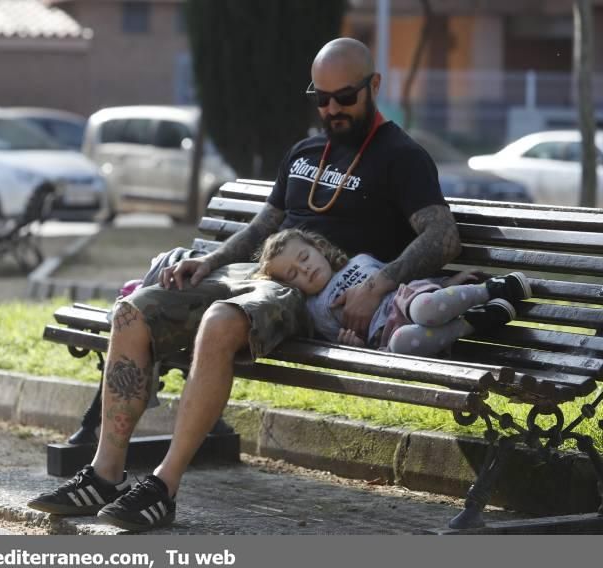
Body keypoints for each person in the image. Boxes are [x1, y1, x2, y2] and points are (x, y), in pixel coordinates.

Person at [27, 36, 463, 532]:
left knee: (220, 321)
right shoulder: (306, 150)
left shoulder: (400, 156)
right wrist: (209, 262)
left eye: (345, 96)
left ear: (374, 86)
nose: (333, 108)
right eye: (321, 98)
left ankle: (163, 486)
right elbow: (263, 227)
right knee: (134, 311)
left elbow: (442, 235)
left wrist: (379, 283)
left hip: (310, 289)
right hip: (253, 273)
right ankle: (105, 475)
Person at [255, 228, 532, 356]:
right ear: (291, 286)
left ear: (318, 247)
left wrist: (446, 283)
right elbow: (341, 345)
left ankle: (490, 289)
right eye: (293, 274)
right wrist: (353, 346)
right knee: (400, 345)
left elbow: (400, 277)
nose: (305, 270)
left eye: (304, 257)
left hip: (407, 300)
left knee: (424, 308)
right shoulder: (316, 311)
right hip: (386, 332)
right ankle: (474, 321)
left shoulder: (360, 261)